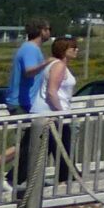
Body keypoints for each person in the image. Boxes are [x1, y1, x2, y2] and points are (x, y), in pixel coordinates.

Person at [0, 21, 54, 194]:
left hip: (27, 103)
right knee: (25, 145)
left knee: (32, 143)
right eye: (48, 29)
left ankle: (24, 177)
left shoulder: (32, 49)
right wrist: (47, 63)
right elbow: (28, 71)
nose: (50, 32)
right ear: (41, 31)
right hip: (20, 103)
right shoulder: (30, 49)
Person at [29, 35, 80, 183]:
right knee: (60, 152)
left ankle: (68, 179)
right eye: (73, 48)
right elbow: (52, 92)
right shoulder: (58, 66)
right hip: (52, 115)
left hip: (53, 115)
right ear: (64, 50)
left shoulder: (57, 65)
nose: (77, 50)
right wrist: (62, 113)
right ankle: (13, 178)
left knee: (61, 152)